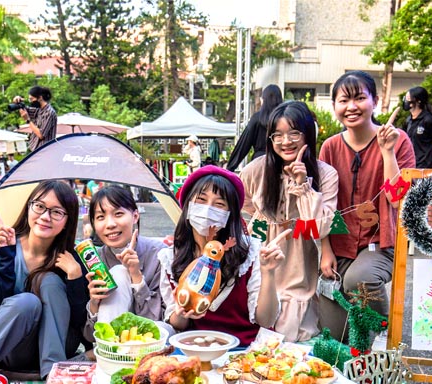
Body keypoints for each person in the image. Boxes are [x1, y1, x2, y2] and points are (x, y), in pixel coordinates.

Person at [318, 70, 416, 342]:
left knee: (360, 280)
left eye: (360, 98)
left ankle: (382, 331)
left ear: (375, 100)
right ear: (335, 106)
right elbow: (323, 205)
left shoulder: (398, 141)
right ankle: (356, 357)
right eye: (343, 100)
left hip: (380, 244)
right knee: (333, 337)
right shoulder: (329, 147)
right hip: (338, 247)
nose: (351, 107)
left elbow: (397, 199)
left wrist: (387, 152)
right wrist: (325, 250)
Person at [0, 181, 89, 384]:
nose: (45, 217)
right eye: (39, 206)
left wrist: (75, 279)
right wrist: (5, 256)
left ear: (67, 220)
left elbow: (79, 323)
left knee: (49, 280)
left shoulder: (72, 259)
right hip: (15, 348)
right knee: (27, 302)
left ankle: (54, 376)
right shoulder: (2, 246)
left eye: (57, 212)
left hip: (58, 348)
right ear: (29, 207)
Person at [240, 101, 340, 342]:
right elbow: (242, 203)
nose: (286, 142)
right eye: (278, 135)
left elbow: (321, 225)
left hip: (299, 254)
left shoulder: (326, 174)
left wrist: (304, 186)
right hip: (263, 247)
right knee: (256, 302)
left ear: (308, 134)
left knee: (293, 324)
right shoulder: (257, 169)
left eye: (294, 133)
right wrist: (264, 221)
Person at [158, 166, 284, 346]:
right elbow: (178, 324)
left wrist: (269, 273)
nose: (208, 209)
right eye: (201, 200)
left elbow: (266, 320)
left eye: (219, 204)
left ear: (230, 214)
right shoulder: (171, 257)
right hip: (197, 351)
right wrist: (180, 312)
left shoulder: (251, 252)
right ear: (187, 206)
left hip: (248, 352)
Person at [82, 186, 166, 341]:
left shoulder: (159, 254)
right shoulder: (95, 260)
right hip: (112, 345)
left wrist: (136, 277)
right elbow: (90, 336)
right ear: (93, 223)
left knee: (120, 272)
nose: (110, 224)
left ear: (135, 216)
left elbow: (159, 320)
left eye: (118, 214)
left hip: (151, 342)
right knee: (119, 272)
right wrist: (94, 303)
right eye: (101, 217)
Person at [227, 84, 284, 171]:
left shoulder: (257, 118)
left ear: (264, 100)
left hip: (259, 163)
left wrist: (230, 167)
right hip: (280, 162)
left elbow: (244, 143)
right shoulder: (285, 119)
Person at [402, 86, 432, 169]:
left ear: (418, 101)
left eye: (408, 98)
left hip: (426, 166)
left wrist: (427, 157)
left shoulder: (429, 119)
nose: (406, 101)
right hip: (411, 165)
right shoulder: (408, 120)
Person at [13, 85, 57, 153]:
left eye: (31, 99)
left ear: (40, 98)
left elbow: (41, 135)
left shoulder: (49, 112)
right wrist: (17, 102)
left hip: (45, 151)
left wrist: (28, 120)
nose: (30, 101)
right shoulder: (38, 110)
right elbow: (25, 111)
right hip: (35, 150)